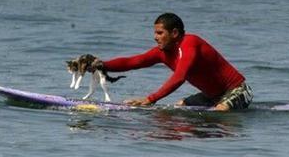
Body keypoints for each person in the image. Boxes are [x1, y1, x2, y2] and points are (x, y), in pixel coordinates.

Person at [99, 13, 253, 111]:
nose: (155, 37)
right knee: (178, 108)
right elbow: (133, 62)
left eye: (160, 33)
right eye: (155, 33)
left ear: (174, 33)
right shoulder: (163, 53)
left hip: (236, 90)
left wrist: (150, 99)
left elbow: (180, 76)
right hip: (210, 95)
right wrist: (102, 65)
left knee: (221, 110)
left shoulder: (190, 43)